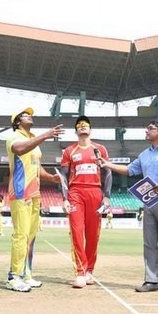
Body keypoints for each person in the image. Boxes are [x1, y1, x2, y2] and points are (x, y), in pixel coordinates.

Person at [101, 119, 158, 294]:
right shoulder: (145, 154)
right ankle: (151, 280)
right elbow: (129, 170)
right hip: (149, 202)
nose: (147, 130)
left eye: (151, 128)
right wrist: (106, 164)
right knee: (149, 243)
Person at [5, 106, 64, 292]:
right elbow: (20, 150)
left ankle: (26, 275)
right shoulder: (14, 137)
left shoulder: (34, 142)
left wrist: (50, 177)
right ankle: (13, 276)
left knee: (31, 237)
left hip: (35, 193)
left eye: (30, 115)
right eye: (24, 115)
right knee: (20, 235)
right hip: (20, 192)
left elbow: (36, 166)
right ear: (17, 122)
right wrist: (46, 135)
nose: (29, 117)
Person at [58, 115, 112, 289]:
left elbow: (108, 173)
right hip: (76, 193)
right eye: (79, 125)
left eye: (85, 125)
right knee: (76, 232)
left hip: (95, 192)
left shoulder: (100, 149)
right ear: (76, 130)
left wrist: (107, 196)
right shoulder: (69, 151)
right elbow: (63, 176)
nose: (83, 126)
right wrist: (65, 198)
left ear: (90, 129)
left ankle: (89, 271)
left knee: (92, 235)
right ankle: (80, 272)